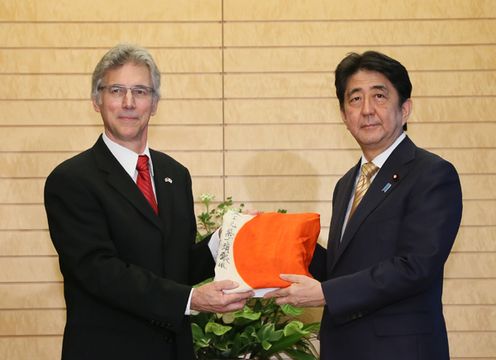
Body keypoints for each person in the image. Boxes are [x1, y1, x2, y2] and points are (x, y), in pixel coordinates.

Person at [44, 44, 253, 360]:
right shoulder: (71, 180)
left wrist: (223, 242)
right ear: (96, 99)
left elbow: (174, 265)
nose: (128, 102)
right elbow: (99, 271)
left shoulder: (175, 174)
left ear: (154, 103)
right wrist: (191, 300)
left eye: (140, 91)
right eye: (117, 90)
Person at [265, 51, 463, 359]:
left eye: (380, 96)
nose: (367, 110)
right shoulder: (346, 183)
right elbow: (342, 268)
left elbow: (417, 266)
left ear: (405, 109)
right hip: (344, 347)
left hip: (401, 350)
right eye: (354, 99)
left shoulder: (432, 173)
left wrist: (325, 293)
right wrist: (274, 233)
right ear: (344, 116)